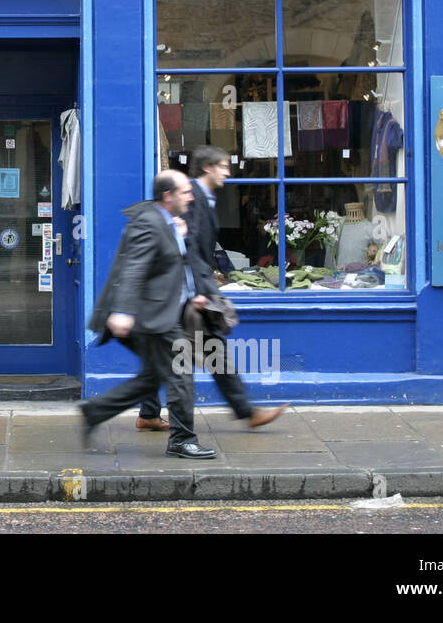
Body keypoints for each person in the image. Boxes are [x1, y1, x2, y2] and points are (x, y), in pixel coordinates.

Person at [135, 145, 289, 431]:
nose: (228, 172)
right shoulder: (191, 196)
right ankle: (245, 412)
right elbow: (187, 247)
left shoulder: (203, 197)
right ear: (207, 167)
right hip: (187, 292)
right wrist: (200, 291)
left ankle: (148, 413)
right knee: (213, 349)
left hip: (186, 290)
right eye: (223, 166)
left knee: (170, 353)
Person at [80, 169, 216, 459]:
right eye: (185, 192)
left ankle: (95, 411)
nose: (191, 196)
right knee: (181, 373)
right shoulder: (149, 222)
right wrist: (122, 311)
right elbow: (134, 268)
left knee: (154, 376)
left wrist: (194, 291)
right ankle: (182, 440)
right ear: (167, 196)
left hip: (159, 312)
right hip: (150, 315)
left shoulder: (166, 221)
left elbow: (169, 264)